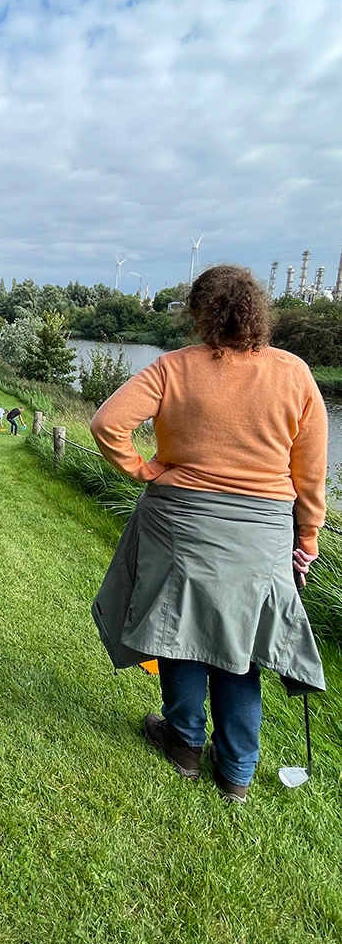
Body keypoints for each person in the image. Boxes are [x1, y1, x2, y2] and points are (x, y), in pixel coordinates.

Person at [89, 265, 326, 804]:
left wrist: (143, 469)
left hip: (181, 523)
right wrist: (307, 539)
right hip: (261, 532)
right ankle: (237, 772)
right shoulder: (294, 375)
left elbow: (107, 423)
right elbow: (309, 475)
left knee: (181, 631)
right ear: (258, 312)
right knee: (239, 649)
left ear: (199, 314)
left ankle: (184, 743)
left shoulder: (174, 368)